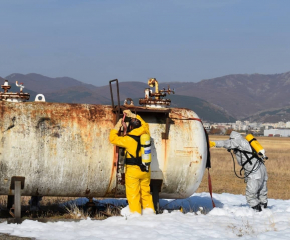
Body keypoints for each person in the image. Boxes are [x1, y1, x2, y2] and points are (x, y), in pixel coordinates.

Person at [109, 109, 155, 215]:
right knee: (146, 193)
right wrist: (135, 116)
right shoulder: (145, 133)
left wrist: (117, 126)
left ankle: (136, 215)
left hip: (133, 171)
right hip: (145, 169)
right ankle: (150, 214)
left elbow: (113, 139)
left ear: (130, 127)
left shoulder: (128, 140)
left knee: (133, 194)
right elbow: (145, 124)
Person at [210, 131, 268, 212]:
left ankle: (259, 214)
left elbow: (226, 143)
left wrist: (213, 143)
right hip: (262, 168)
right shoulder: (245, 142)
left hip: (255, 172)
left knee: (250, 196)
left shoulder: (238, 141)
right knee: (262, 194)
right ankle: (265, 212)